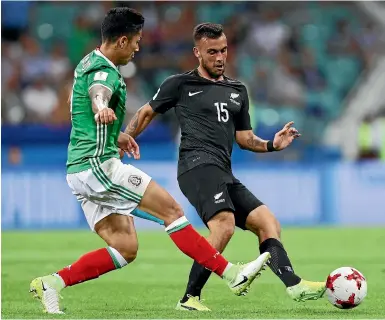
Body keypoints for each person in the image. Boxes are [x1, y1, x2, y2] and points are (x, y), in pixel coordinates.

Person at [29, 11, 270, 315]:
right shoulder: (105, 72)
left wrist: (114, 136)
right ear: (121, 40)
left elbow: (78, 107)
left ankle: (52, 283)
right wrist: (102, 107)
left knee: (125, 247)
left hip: (80, 168)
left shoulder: (87, 62)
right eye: (136, 42)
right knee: (172, 211)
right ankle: (232, 275)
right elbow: (97, 94)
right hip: (99, 167)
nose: (138, 48)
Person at [125, 22, 326, 311]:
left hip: (222, 170)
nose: (219, 57)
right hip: (195, 167)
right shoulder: (180, 84)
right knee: (224, 225)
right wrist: (124, 140)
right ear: (197, 52)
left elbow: (244, 139)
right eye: (212, 52)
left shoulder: (237, 90)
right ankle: (190, 298)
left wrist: (271, 144)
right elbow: (145, 113)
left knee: (267, 222)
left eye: (223, 50)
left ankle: (294, 285)